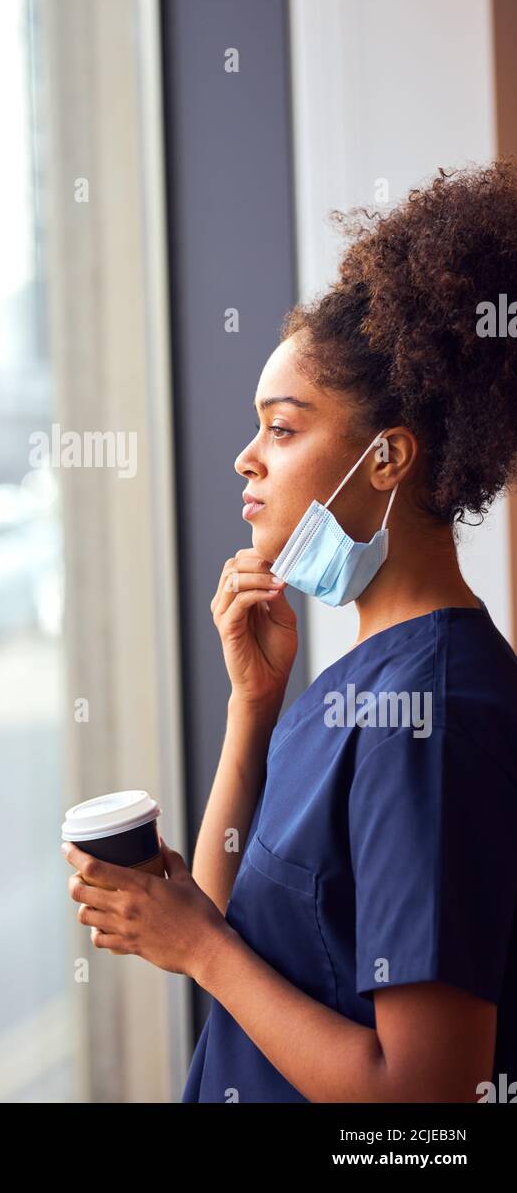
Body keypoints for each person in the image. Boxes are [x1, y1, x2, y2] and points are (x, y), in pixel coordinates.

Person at [60, 159, 517, 1102]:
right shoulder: (359, 682)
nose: (246, 458)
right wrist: (255, 707)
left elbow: (424, 1100)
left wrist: (197, 948)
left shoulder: (427, 717)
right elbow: (231, 922)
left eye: (282, 428)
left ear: (387, 457)